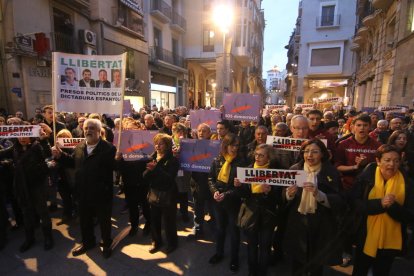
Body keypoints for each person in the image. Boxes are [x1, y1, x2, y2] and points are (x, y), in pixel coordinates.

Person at [52, 119, 116, 258]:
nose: (88, 131)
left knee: (104, 221)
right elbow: (73, 162)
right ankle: (88, 242)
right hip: (82, 191)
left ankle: (106, 244)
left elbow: (115, 168)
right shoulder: (80, 146)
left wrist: (119, 160)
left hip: (101, 193)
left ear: (99, 131)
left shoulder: (109, 148)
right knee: (85, 220)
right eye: (86, 128)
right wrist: (60, 156)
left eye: (92, 128)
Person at [285, 139, 345, 275]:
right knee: (297, 262)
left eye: (314, 152)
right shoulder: (294, 170)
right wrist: (289, 194)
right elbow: (284, 199)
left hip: (321, 224)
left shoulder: (331, 172)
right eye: (306, 151)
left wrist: (319, 194)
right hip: (298, 222)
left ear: (322, 154)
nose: (309, 155)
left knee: (316, 264)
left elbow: (339, 200)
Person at [352, 145, 414, 276]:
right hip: (365, 235)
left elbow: (410, 216)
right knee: (360, 270)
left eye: (396, 160)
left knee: (382, 271)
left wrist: (393, 207)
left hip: (390, 241)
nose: (392, 164)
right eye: (387, 160)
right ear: (378, 161)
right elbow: (355, 204)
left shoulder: (407, 183)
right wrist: (379, 204)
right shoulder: (366, 177)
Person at [0, 132, 53, 253]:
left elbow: (48, 153)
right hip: (22, 187)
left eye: (25, 135)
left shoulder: (37, 146)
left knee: (42, 212)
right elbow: (3, 154)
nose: (22, 138)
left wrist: (44, 140)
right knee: (26, 213)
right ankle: (30, 239)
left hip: (37, 186)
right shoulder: (14, 148)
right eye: (20, 135)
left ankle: (48, 237)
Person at [234, 144, 282, 276]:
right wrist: (238, 186)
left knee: (265, 246)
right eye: (256, 154)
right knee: (251, 245)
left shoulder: (276, 173)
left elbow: (279, 199)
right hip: (251, 214)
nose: (258, 157)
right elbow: (243, 195)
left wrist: (269, 192)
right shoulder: (248, 170)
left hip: (268, 215)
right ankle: (252, 271)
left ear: (269, 158)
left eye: (262, 155)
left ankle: (262, 272)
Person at [208, 133, 246, 273]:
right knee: (220, 229)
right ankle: (219, 253)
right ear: (225, 145)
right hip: (218, 202)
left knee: (234, 231)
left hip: (233, 203)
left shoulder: (242, 162)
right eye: (232, 145)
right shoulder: (217, 160)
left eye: (237, 145)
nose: (234, 148)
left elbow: (242, 189)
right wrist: (214, 192)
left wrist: (227, 194)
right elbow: (211, 178)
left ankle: (234, 258)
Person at [143, 133, 179, 254]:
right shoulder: (152, 157)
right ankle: (156, 242)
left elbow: (169, 179)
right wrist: (149, 170)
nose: (157, 146)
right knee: (154, 220)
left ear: (167, 145)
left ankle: (172, 243)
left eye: (161, 143)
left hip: (168, 195)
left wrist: (156, 169)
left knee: (169, 221)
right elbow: (144, 177)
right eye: (156, 143)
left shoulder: (173, 160)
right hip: (154, 194)